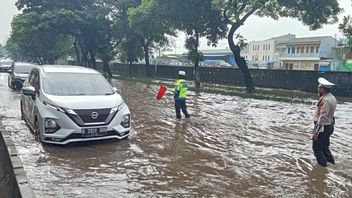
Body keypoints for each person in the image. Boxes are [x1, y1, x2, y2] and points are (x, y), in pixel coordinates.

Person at [312, 77, 337, 167]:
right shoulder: (332, 97)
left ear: (322, 89)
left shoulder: (325, 100)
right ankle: (332, 165)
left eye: (319, 87)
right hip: (329, 125)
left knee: (317, 148)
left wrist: (316, 132)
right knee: (325, 147)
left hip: (323, 127)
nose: (318, 88)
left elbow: (322, 117)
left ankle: (323, 169)